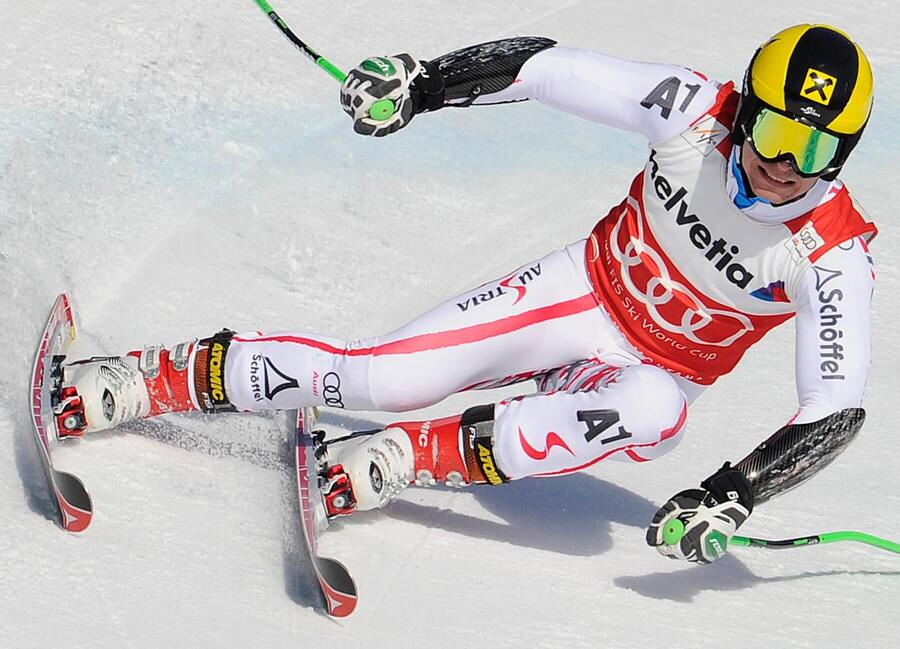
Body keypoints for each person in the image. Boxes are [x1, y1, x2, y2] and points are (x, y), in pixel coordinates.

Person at [55, 24, 876, 564]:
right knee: (387, 380)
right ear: (746, 111)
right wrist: (422, 85)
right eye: (774, 132)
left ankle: (395, 459)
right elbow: (545, 68)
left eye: (817, 148)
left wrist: (732, 495)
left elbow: (833, 406)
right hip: (576, 296)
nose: (786, 165)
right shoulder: (694, 110)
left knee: (659, 410)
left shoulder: (832, 255)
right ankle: (145, 377)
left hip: (634, 377)